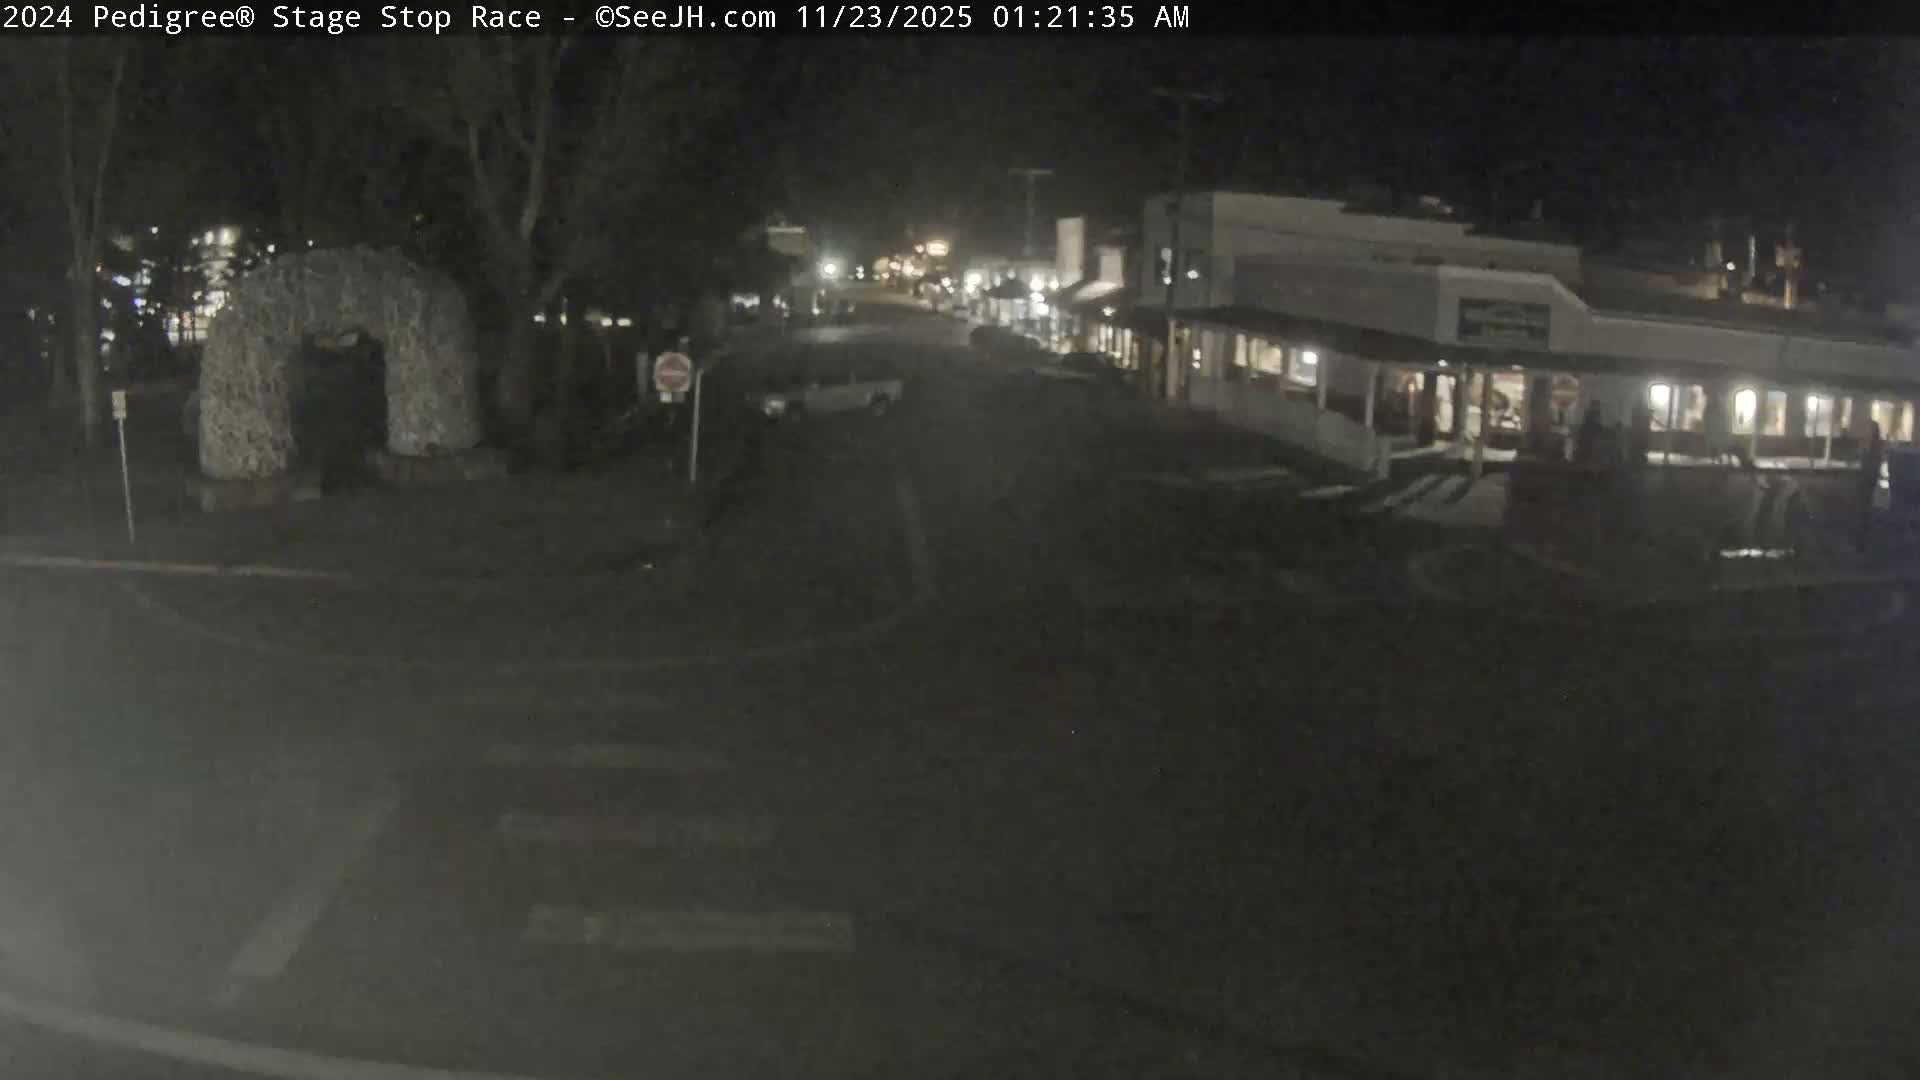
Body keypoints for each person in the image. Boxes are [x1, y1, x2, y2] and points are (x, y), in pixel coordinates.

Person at [1858, 420, 1885, 554]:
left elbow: (1876, 463)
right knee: (1863, 513)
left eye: (1869, 429)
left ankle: (1865, 543)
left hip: (1872, 483)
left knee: (1869, 513)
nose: (1867, 432)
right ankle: (1863, 542)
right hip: (1865, 483)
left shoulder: (1877, 446)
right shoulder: (1867, 444)